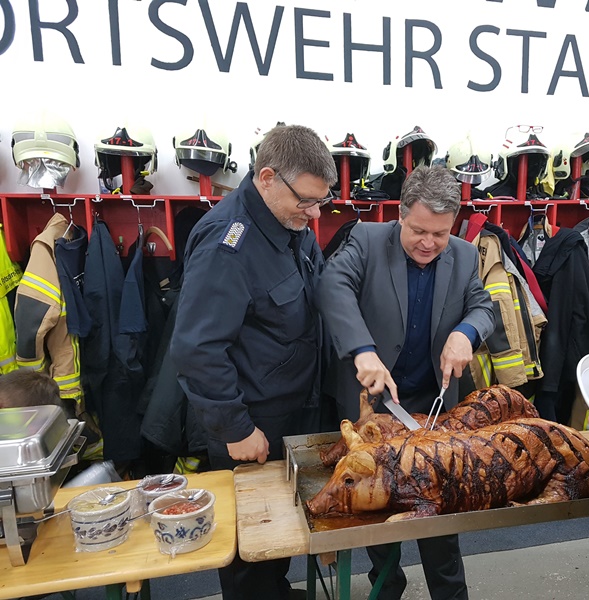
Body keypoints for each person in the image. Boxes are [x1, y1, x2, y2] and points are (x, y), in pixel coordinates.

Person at [170, 124, 337, 600]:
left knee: (281, 533)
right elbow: (196, 350)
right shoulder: (229, 243)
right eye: (306, 200)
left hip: (293, 409)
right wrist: (235, 429)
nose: (315, 212)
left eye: (320, 201)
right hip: (251, 424)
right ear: (267, 177)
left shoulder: (290, 224)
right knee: (251, 548)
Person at [316, 164, 495, 600]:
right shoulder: (365, 239)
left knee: (440, 513)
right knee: (379, 511)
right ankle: (386, 585)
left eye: (440, 234)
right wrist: (362, 349)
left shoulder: (465, 254)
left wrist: (465, 333)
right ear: (400, 213)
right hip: (375, 403)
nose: (429, 243)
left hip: (433, 407)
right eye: (418, 231)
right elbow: (332, 285)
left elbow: (484, 307)